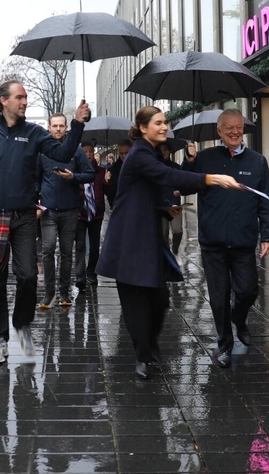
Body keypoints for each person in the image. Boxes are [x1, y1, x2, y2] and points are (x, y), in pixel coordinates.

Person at [0, 81, 91, 365]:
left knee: (28, 276)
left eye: (26, 97)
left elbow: (63, 154)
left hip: (25, 216)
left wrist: (77, 123)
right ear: (4, 101)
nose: (25, 102)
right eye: (20, 97)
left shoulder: (35, 133)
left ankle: (22, 324)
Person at [97, 106, 242, 380]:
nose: (164, 127)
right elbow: (168, 176)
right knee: (136, 301)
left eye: (165, 122)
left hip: (145, 234)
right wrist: (210, 178)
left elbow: (146, 190)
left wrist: (164, 207)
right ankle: (142, 357)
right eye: (158, 123)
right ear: (143, 128)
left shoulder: (150, 152)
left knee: (160, 299)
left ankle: (148, 345)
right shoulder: (140, 154)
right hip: (127, 238)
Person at [183, 108, 269, 368]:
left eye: (239, 127)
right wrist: (189, 161)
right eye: (229, 128)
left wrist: (267, 235)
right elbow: (185, 185)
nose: (235, 132)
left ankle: (239, 317)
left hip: (243, 240)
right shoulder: (205, 158)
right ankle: (224, 345)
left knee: (247, 291)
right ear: (219, 131)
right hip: (213, 242)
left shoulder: (257, 161)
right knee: (218, 296)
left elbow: (265, 201)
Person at [37, 113, 94, 309]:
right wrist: (35, 202)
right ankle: (49, 293)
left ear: (66, 127)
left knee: (66, 252)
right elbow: (35, 178)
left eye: (61, 126)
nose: (58, 129)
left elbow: (90, 174)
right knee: (47, 249)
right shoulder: (42, 151)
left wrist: (73, 177)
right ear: (49, 127)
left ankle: (64, 292)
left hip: (70, 209)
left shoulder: (76, 150)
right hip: (48, 209)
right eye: (55, 126)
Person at [74, 141, 107, 292]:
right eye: (85, 152)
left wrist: (108, 180)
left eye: (90, 152)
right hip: (80, 213)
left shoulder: (101, 171)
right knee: (80, 245)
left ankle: (92, 273)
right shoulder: (76, 170)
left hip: (96, 213)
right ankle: (80, 276)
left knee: (94, 246)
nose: (88, 154)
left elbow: (109, 191)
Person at [158, 142, 185, 256]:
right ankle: (167, 256)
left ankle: (175, 248)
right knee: (163, 233)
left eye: (165, 149)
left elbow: (183, 182)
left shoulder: (176, 167)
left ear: (169, 151)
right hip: (160, 205)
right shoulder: (156, 167)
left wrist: (181, 191)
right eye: (161, 150)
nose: (163, 152)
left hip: (174, 204)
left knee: (177, 230)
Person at [104, 138, 132, 207]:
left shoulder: (139, 165)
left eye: (127, 153)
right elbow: (109, 192)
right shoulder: (113, 169)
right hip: (120, 206)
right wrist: (107, 182)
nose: (124, 156)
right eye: (121, 153)